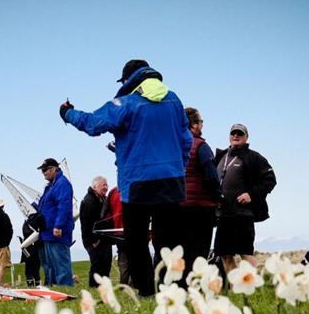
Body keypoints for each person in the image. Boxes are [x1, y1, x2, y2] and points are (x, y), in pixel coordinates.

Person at [60, 59, 192, 296]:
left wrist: (67, 113)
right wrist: (178, 169)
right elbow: (186, 140)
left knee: (137, 241)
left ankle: (146, 293)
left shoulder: (127, 103)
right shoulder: (174, 100)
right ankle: (173, 292)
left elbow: (92, 123)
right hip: (171, 182)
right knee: (168, 241)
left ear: (128, 80)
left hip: (137, 182)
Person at [214, 123, 276, 275]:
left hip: (242, 214)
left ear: (246, 137)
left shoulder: (254, 157)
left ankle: (251, 288)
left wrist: (251, 195)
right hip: (223, 214)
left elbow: (270, 179)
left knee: (245, 252)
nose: (236, 136)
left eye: (240, 134)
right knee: (224, 253)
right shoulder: (222, 156)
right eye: (233, 133)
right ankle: (236, 287)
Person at [178, 107, 221, 280]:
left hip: (178, 207)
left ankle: (183, 285)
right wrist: (218, 197)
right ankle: (197, 285)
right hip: (200, 208)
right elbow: (211, 177)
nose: (202, 125)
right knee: (199, 251)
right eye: (200, 121)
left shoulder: (175, 146)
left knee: (182, 250)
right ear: (194, 124)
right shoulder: (200, 146)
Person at [36, 158, 75, 286]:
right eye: (42, 171)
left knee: (61, 263)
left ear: (53, 169)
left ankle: (66, 288)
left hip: (57, 231)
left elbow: (64, 205)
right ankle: (56, 288)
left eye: (45, 170)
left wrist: (58, 226)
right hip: (47, 232)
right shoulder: (52, 185)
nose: (43, 173)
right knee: (51, 264)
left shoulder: (62, 184)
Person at [80, 176, 112, 287]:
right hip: (94, 240)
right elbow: (87, 223)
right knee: (97, 264)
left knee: (106, 264)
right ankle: (94, 286)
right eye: (103, 185)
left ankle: (104, 285)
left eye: (106, 185)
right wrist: (94, 240)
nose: (106, 187)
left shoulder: (102, 199)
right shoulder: (89, 201)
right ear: (95, 186)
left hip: (104, 238)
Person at [20, 215, 42, 286]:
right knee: (33, 267)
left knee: (31, 267)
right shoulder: (36, 222)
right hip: (33, 248)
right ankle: (34, 282)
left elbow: (25, 233)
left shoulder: (27, 223)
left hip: (29, 248)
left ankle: (33, 282)